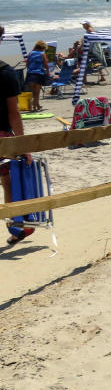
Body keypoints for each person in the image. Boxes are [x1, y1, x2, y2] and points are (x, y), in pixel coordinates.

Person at [0, 26, 34, 245]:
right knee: (8, 182)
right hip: (2, 138)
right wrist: (24, 146)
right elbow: (14, 114)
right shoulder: (5, 73)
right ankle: (15, 227)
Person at [25, 41, 48, 112]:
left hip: (30, 74)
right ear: (43, 47)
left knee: (33, 92)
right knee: (37, 92)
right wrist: (48, 73)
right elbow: (46, 65)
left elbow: (27, 64)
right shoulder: (42, 54)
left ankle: (37, 105)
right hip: (38, 74)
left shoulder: (30, 53)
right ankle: (34, 107)